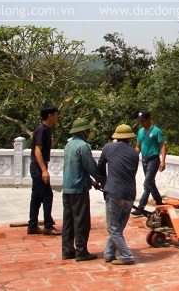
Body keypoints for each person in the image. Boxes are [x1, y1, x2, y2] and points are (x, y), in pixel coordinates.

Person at [61, 118, 104, 262]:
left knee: (68, 221)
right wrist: (103, 181)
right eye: (88, 130)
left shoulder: (69, 145)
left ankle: (67, 250)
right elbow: (90, 167)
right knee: (81, 221)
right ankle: (81, 251)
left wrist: (91, 182)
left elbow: (76, 168)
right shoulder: (83, 146)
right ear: (83, 131)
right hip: (79, 189)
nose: (90, 132)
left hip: (67, 188)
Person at [98, 124, 140, 265]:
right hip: (130, 193)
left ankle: (126, 255)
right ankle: (109, 254)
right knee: (118, 227)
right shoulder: (134, 153)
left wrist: (103, 182)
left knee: (113, 227)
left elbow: (100, 167)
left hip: (114, 192)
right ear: (129, 138)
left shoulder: (108, 148)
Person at [28, 105, 60, 236]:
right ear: (50, 116)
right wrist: (43, 170)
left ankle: (32, 225)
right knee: (47, 194)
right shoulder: (42, 130)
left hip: (37, 166)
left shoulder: (46, 129)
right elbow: (37, 150)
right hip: (37, 166)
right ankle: (47, 225)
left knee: (36, 196)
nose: (58, 117)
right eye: (56, 114)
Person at [131, 109, 167, 216]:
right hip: (144, 160)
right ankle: (160, 203)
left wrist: (163, 161)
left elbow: (162, 146)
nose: (142, 123)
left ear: (149, 119)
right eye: (140, 121)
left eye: (143, 121)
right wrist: (133, 157)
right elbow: (138, 146)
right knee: (151, 183)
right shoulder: (141, 132)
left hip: (154, 160)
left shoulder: (156, 131)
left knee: (147, 183)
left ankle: (141, 206)